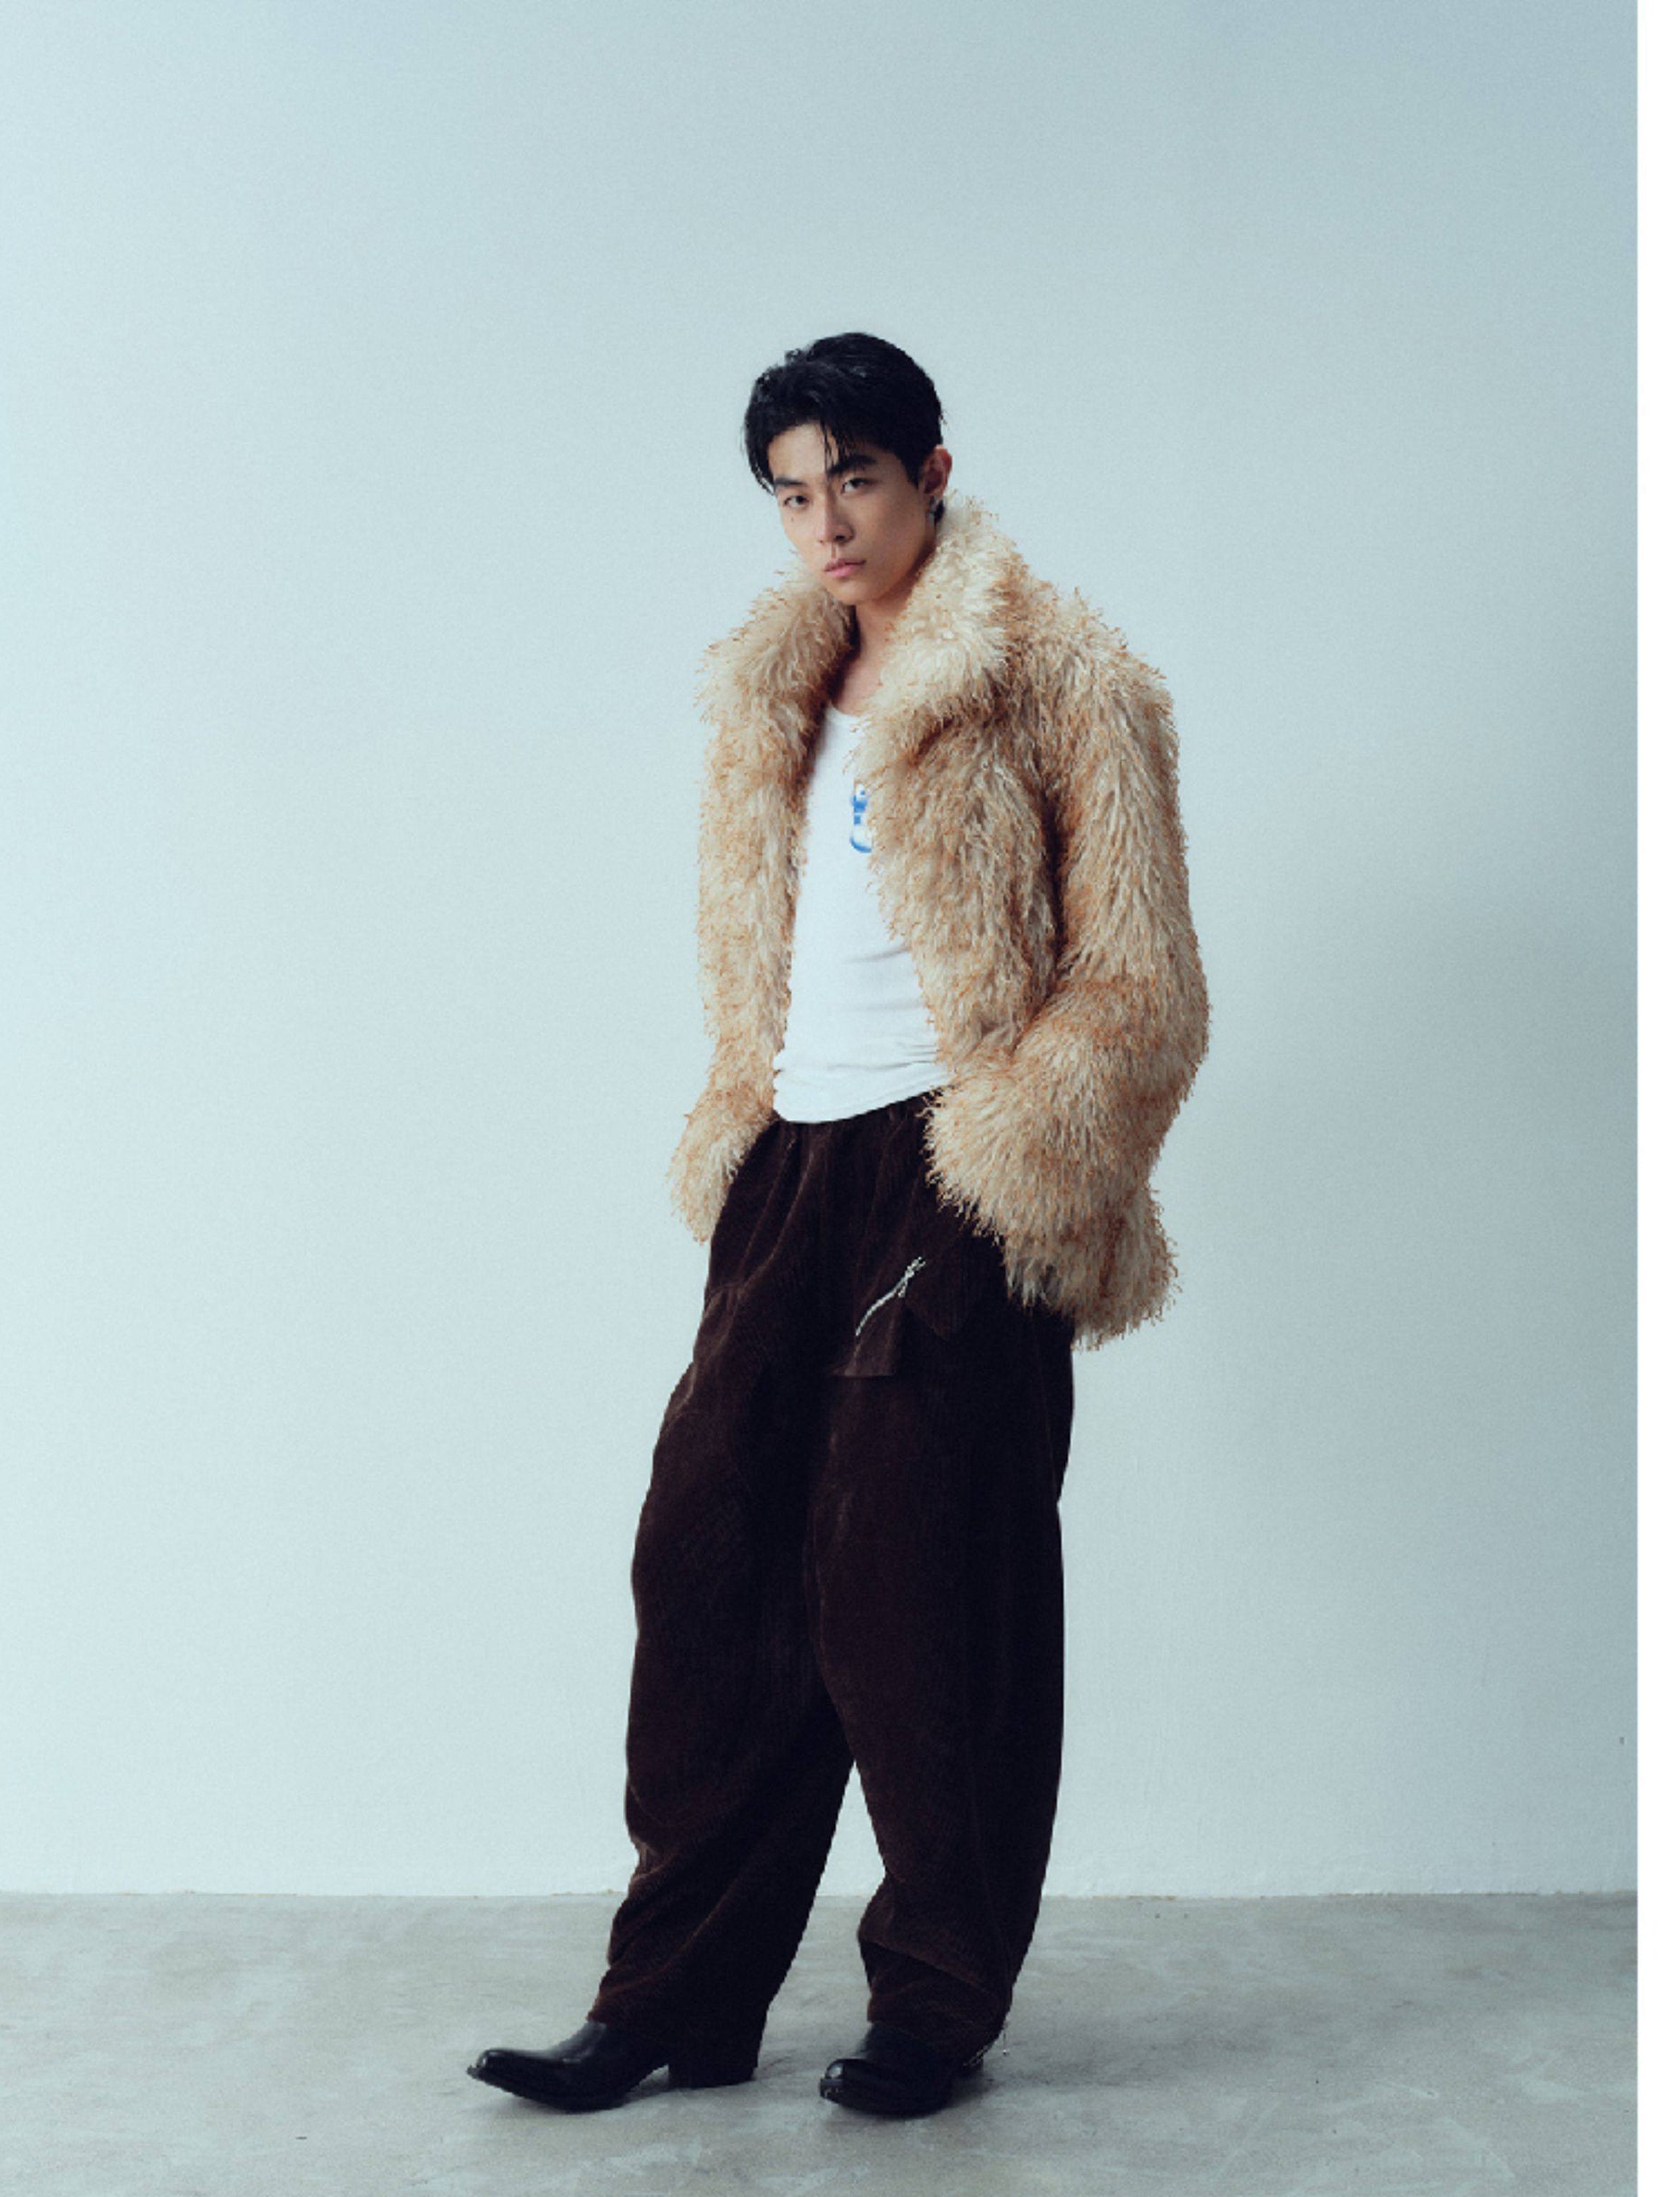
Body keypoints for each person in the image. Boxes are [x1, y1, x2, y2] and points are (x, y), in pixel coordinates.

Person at [468, 331, 1209, 2118]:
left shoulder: (1064, 676)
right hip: (788, 1166)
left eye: (855, 481)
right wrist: (743, 1126)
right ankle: (673, 2002)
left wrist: (1009, 1158)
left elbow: (1143, 986)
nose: (825, 526)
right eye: (793, 495)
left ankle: (933, 2005)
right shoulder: (773, 686)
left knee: (920, 1590)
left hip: (962, 1160)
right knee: (709, 1569)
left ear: (930, 471)